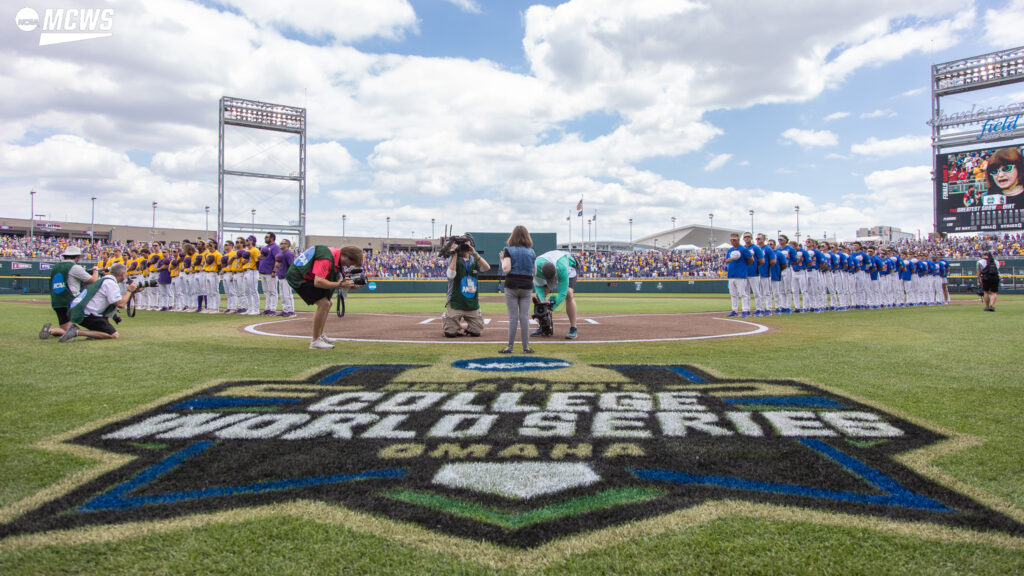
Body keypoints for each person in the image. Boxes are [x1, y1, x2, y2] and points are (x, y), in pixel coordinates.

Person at [285, 244, 364, 349]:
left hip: (308, 277)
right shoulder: (326, 258)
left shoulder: (335, 257)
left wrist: (350, 286)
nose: (349, 266)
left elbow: (335, 283)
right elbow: (318, 282)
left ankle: (319, 335)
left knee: (328, 302)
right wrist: (341, 285)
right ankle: (315, 341)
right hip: (299, 277)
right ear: (345, 256)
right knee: (324, 303)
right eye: (351, 263)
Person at [57, 263, 139, 342]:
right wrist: (129, 290)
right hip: (89, 315)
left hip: (81, 311)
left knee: (104, 330)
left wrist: (132, 291)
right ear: (123, 274)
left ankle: (93, 335)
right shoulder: (110, 283)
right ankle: (76, 332)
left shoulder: (105, 280)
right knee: (114, 335)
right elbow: (120, 304)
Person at [40, 246, 97, 339]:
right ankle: (94, 333)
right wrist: (96, 271)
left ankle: (50, 331)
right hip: (72, 300)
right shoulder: (74, 267)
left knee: (65, 329)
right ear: (77, 256)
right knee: (93, 316)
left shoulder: (56, 267)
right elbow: (93, 280)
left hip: (57, 301)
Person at [498, 225, 536, 354]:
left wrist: (502, 260)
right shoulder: (532, 252)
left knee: (513, 318)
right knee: (524, 318)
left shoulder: (508, 250)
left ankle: (510, 347)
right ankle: (526, 347)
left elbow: (506, 269)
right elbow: (534, 272)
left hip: (512, 286)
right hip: (527, 286)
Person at [444, 239, 490, 338]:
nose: (464, 248)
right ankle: (448, 318)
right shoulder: (454, 259)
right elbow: (450, 275)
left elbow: (487, 268)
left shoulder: (474, 261)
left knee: (476, 332)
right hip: (456, 302)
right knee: (450, 333)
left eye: (466, 245)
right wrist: (455, 254)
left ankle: (460, 325)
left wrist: (475, 253)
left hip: (471, 303)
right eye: (462, 245)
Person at [532, 249, 580, 339]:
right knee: (539, 297)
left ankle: (573, 328)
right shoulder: (535, 269)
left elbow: (563, 293)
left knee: (569, 294)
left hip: (569, 266)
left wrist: (550, 308)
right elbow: (538, 288)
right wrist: (543, 303)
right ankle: (543, 327)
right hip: (547, 268)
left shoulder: (561, 268)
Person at [724, 233, 753, 318]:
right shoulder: (730, 250)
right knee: (733, 294)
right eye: (731, 240)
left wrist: (743, 267)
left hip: (740, 275)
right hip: (731, 275)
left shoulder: (743, 249)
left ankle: (745, 310)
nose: (732, 241)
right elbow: (727, 260)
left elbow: (751, 259)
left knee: (743, 294)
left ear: (738, 240)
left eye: (734, 240)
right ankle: (734, 310)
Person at [259, 232, 282, 315]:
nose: (265, 238)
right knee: (266, 291)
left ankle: (273, 309)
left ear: (272, 238)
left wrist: (274, 270)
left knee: (272, 291)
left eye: (267, 237)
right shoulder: (265, 247)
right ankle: (267, 308)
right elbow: (260, 258)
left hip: (270, 272)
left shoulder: (275, 247)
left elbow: (277, 259)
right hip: (263, 272)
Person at [275, 239, 296, 317]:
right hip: (280, 277)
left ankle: (291, 311)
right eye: (281, 243)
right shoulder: (281, 254)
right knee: (283, 296)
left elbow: (292, 266)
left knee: (287, 295)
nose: (281, 244)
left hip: (286, 277)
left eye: (283, 243)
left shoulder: (288, 254)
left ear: (287, 245)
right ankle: (285, 310)